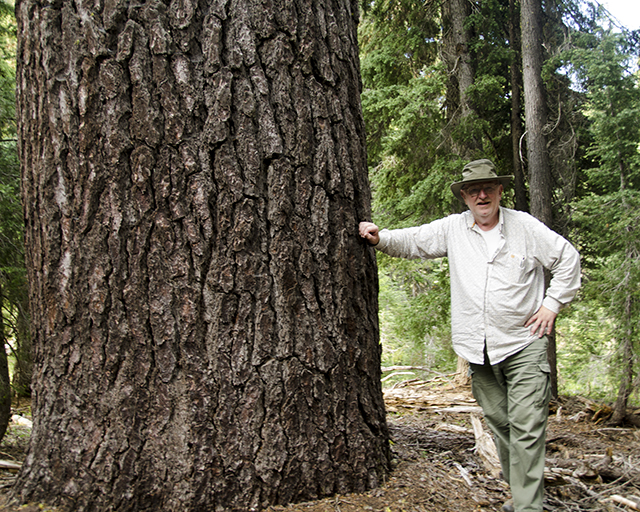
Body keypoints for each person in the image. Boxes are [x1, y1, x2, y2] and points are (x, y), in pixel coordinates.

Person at [359, 159, 581, 512]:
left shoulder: (524, 227)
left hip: (523, 344)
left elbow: (567, 258)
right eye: (474, 190)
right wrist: (380, 238)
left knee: (526, 426)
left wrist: (552, 304)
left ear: (499, 192)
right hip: (478, 351)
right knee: (503, 425)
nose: (482, 195)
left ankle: (527, 508)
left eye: (488, 188)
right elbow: (415, 240)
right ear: (464, 196)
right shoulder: (454, 229)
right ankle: (522, 496)